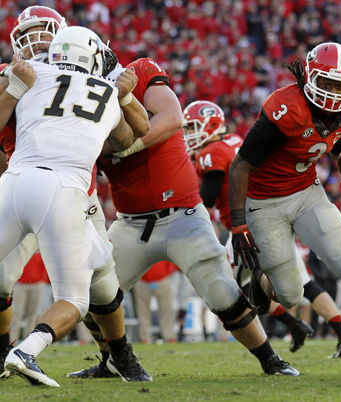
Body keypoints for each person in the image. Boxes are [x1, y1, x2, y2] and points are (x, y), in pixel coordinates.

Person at [69, 57, 298, 378]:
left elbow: (173, 118)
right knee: (95, 293)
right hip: (131, 223)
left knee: (223, 292)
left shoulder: (139, 73)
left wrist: (128, 146)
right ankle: (113, 360)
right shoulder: (74, 106)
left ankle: (271, 361)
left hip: (183, 215)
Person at [228, 42, 341, 375]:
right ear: (310, 78)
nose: (332, 92)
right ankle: (260, 279)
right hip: (264, 203)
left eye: (340, 85)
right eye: (326, 83)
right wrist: (239, 225)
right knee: (288, 295)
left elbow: (339, 144)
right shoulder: (285, 108)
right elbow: (240, 165)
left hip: (305, 193)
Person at [0, 6, 151, 383]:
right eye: (28, 34)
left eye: (43, 31)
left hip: (61, 193)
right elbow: (128, 137)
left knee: (102, 282)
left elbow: (123, 138)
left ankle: (118, 356)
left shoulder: (33, 77)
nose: (36, 40)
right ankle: (7, 350)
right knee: (6, 280)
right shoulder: (16, 75)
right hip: (43, 184)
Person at [185, 99, 341, 357]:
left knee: (235, 290)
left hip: (246, 228)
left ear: (209, 124)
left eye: (192, 128)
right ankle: (339, 334)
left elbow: (206, 202)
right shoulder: (233, 140)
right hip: (269, 214)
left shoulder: (211, 153)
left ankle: (281, 339)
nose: (188, 135)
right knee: (303, 283)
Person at [133, 261, 177, 344]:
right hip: (142, 279)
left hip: (162, 277)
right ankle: (145, 338)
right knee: (142, 311)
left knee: (166, 310)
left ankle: (169, 337)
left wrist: (169, 272)